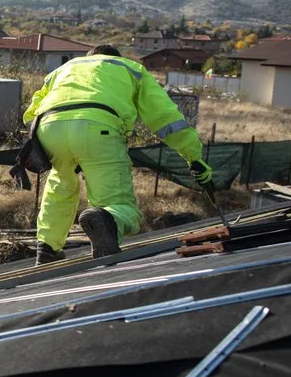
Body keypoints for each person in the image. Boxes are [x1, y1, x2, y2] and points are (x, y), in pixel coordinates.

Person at [24, 45, 213, 265]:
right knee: (119, 204)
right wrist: (194, 157)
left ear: (90, 58)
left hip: (49, 128)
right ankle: (108, 220)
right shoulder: (130, 68)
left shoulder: (63, 69)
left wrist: (48, 145)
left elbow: (30, 114)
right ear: (114, 58)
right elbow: (166, 118)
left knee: (60, 184)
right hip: (98, 127)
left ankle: (47, 248)